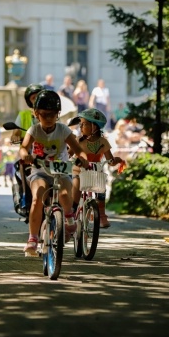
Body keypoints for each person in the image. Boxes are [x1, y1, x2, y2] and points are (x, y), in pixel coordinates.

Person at [19, 90, 88, 256]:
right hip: (40, 170)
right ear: (36, 114)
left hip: (61, 171)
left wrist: (83, 158)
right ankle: (33, 238)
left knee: (65, 194)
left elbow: (79, 150)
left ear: (58, 114)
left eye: (53, 115)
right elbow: (23, 148)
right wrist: (26, 155)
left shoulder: (63, 130)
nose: (49, 119)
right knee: (38, 197)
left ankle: (70, 219)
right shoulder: (34, 130)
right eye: (44, 115)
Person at [68, 108, 125, 228]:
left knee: (101, 190)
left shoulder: (103, 142)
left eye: (83, 124)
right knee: (76, 185)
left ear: (94, 127)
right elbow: (69, 153)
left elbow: (110, 160)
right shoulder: (78, 140)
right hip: (79, 170)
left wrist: (116, 161)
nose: (80, 127)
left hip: (95, 172)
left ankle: (102, 216)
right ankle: (72, 211)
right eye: (80, 124)